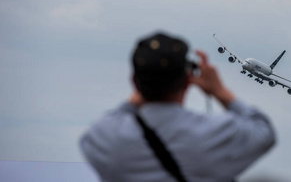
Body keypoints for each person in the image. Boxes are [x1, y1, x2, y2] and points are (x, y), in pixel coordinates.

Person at [80, 32, 276, 182]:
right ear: (187, 81)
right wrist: (219, 91)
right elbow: (264, 131)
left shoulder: (108, 138)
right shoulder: (210, 133)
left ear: (134, 82)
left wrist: (143, 88)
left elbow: (91, 134)